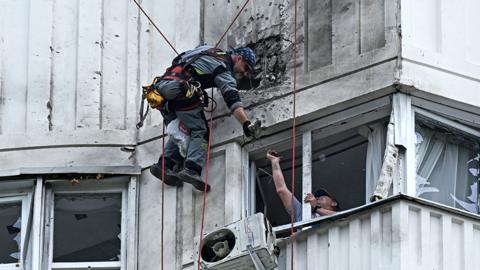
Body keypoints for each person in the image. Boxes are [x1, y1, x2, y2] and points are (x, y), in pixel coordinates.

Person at [147, 45, 258, 192]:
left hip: (161, 89)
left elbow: (185, 55)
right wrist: (245, 123)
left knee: (184, 128)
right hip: (181, 89)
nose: (245, 73)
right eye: (246, 67)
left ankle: (164, 165)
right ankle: (192, 169)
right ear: (239, 58)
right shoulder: (222, 67)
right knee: (200, 130)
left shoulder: (209, 50)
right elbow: (232, 99)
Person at [265, 150, 339, 222]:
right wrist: (274, 162)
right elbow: (281, 190)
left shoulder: (342, 221)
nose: (317, 198)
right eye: (317, 198)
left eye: (322, 196)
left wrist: (316, 207)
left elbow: (338, 216)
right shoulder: (304, 215)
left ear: (334, 203)